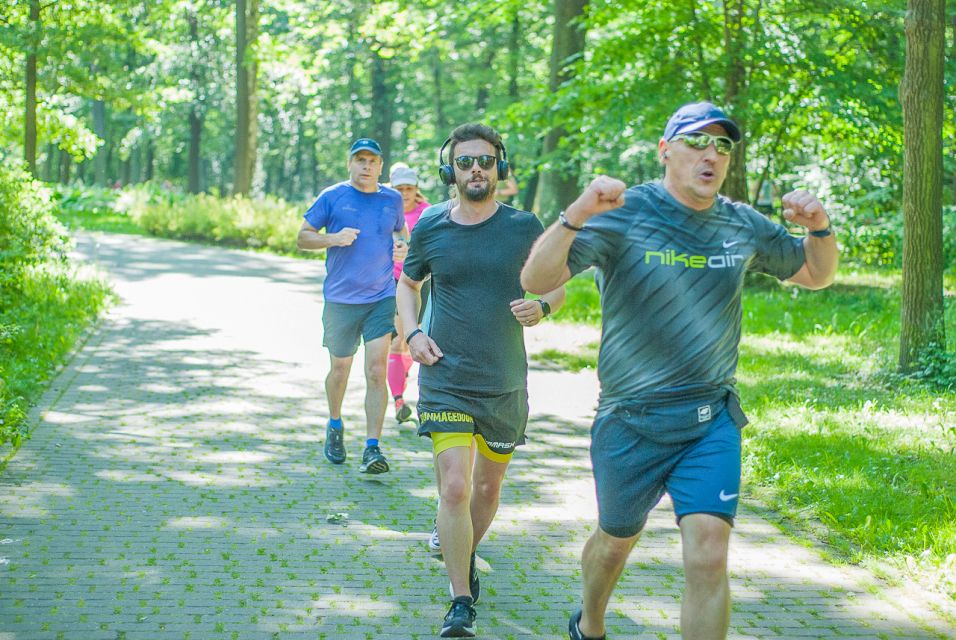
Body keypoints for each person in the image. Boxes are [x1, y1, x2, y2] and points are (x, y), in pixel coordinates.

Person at [520, 101, 839, 640]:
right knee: (615, 541)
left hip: (708, 420)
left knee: (709, 555)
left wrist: (820, 228)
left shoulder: (742, 224)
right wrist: (577, 212)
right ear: (665, 151)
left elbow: (815, 275)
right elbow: (535, 278)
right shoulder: (623, 212)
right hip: (630, 420)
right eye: (696, 142)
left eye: (722, 146)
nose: (710, 154)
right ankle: (591, 620)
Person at [396, 123, 566, 638]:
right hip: (445, 375)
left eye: (485, 162)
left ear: (500, 168)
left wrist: (541, 306)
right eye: (466, 161)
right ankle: (460, 600)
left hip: (505, 380)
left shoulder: (523, 227)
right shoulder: (430, 226)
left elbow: (557, 286)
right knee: (453, 487)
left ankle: (461, 548)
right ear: (451, 169)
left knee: (488, 487)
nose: (476, 170)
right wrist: (412, 333)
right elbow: (408, 284)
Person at [297, 137, 408, 475]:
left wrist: (402, 246)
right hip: (341, 300)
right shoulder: (332, 197)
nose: (366, 166)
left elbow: (401, 233)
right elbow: (303, 237)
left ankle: (372, 447)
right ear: (350, 163)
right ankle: (334, 424)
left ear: (381, 165)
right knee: (341, 369)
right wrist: (332, 238)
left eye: (372, 161)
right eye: (360, 160)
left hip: (380, 297)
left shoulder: (392, 199)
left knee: (376, 369)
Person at [387, 164, 430, 424]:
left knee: (413, 341)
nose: (404, 194)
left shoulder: (428, 213)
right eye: (399, 189)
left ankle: (400, 378)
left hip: (421, 283)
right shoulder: (384, 210)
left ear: (416, 189)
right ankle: (399, 400)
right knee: (397, 340)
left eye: (409, 189)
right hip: (392, 282)